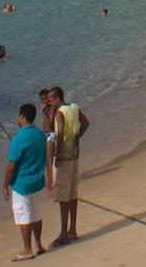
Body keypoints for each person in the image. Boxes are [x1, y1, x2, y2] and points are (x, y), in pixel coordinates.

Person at [4, 102, 49, 260]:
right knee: (36, 214)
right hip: (37, 182)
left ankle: (27, 249)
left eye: (19, 116)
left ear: (22, 117)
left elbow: (11, 166)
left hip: (22, 185)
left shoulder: (18, 139)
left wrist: (5, 186)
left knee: (24, 216)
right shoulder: (40, 134)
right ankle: (38, 245)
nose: (18, 119)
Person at [47, 85, 90, 246]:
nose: (49, 103)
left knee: (63, 196)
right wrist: (76, 138)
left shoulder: (60, 112)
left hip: (64, 158)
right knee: (72, 194)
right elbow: (85, 123)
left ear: (58, 99)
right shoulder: (74, 107)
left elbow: (60, 134)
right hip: (75, 155)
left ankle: (64, 233)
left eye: (51, 100)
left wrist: (58, 155)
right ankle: (72, 230)